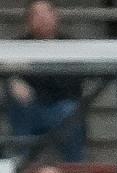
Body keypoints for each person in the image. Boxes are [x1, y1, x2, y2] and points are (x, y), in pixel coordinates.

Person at [5, 1, 86, 164]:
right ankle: (20, 169)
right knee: (18, 104)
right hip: (30, 110)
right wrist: (12, 79)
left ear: (56, 16)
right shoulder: (16, 46)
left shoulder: (71, 46)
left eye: (46, 13)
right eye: (36, 14)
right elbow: (7, 73)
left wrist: (30, 72)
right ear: (28, 20)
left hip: (61, 108)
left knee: (71, 111)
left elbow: (72, 86)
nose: (42, 19)